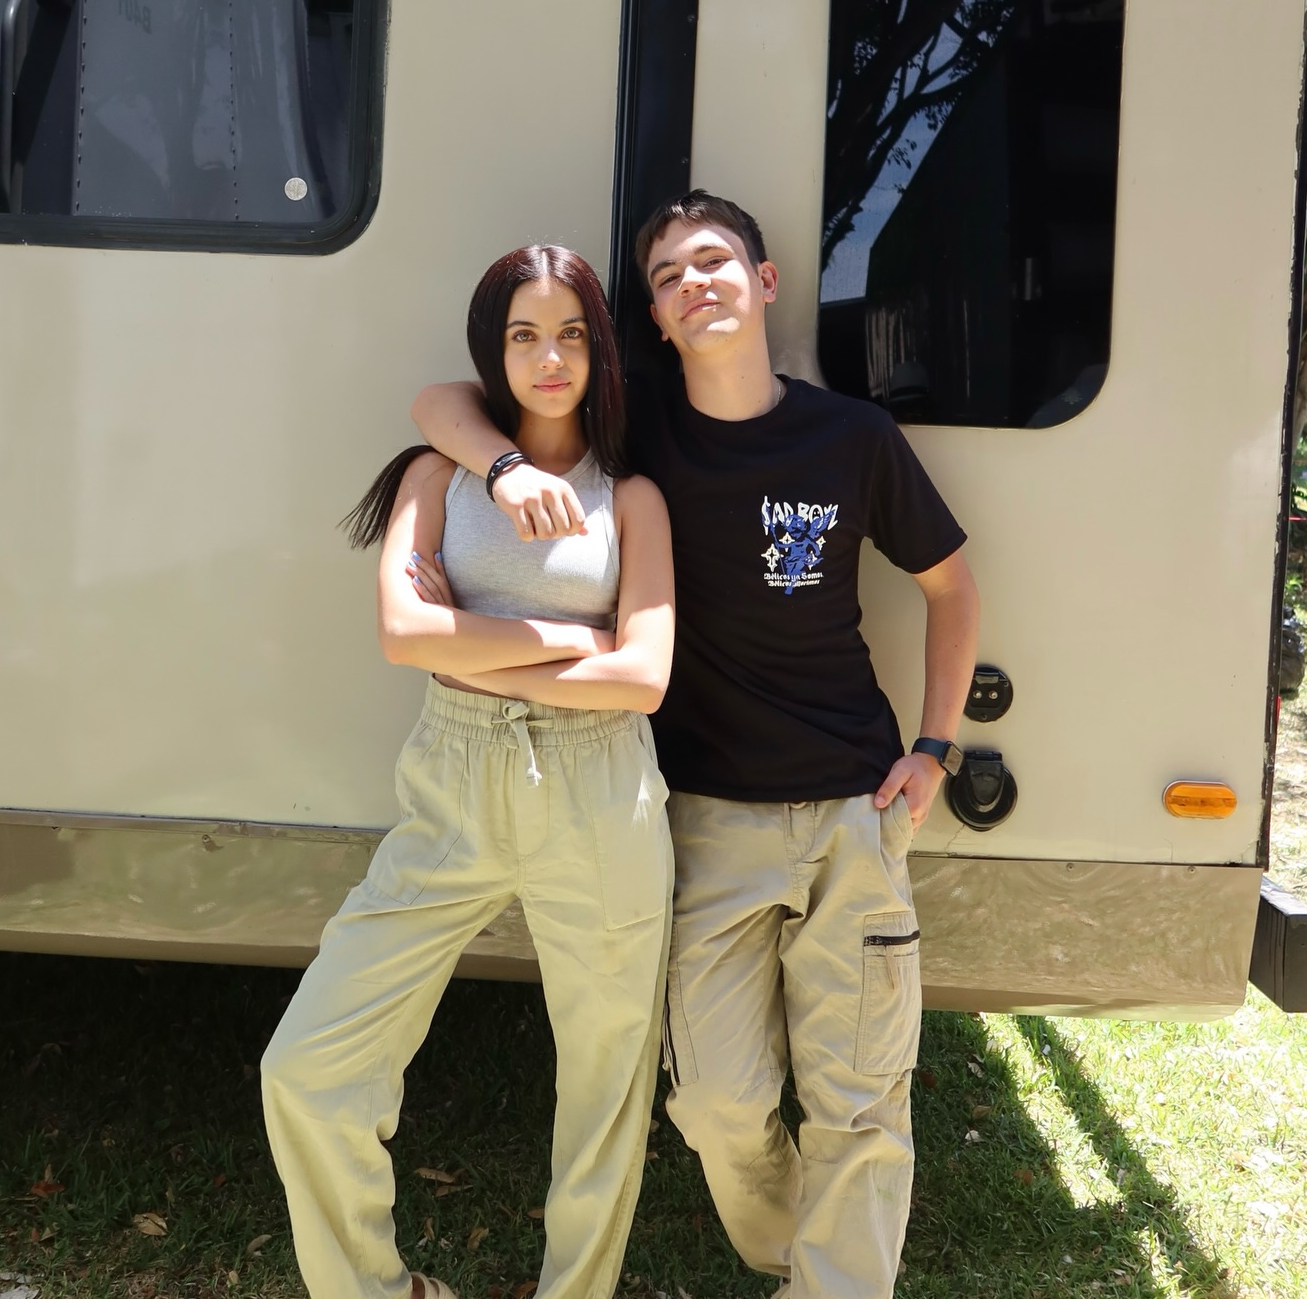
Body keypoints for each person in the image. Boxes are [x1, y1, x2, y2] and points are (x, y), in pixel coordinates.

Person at [412, 192, 980, 1299]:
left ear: (765, 284)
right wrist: (507, 470)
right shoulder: (642, 437)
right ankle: (789, 1252)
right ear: (657, 324)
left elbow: (951, 589)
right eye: (669, 278)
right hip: (703, 817)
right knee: (713, 1102)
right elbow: (441, 400)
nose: (694, 284)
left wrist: (936, 746)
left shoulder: (852, 438)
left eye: (714, 262)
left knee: (860, 1098)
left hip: (856, 811)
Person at [262, 244, 676, 1299]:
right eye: (523, 335)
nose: (550, 358)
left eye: (572, 335)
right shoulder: (438, 472)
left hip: (602, 796)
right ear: (493, 351)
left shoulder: (632, 499)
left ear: (601, 352)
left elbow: (644, 679)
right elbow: (406, 633)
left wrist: (484, 647)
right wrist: (570, 640)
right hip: (452, 784)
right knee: (306, 1065)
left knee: (605, 1085)